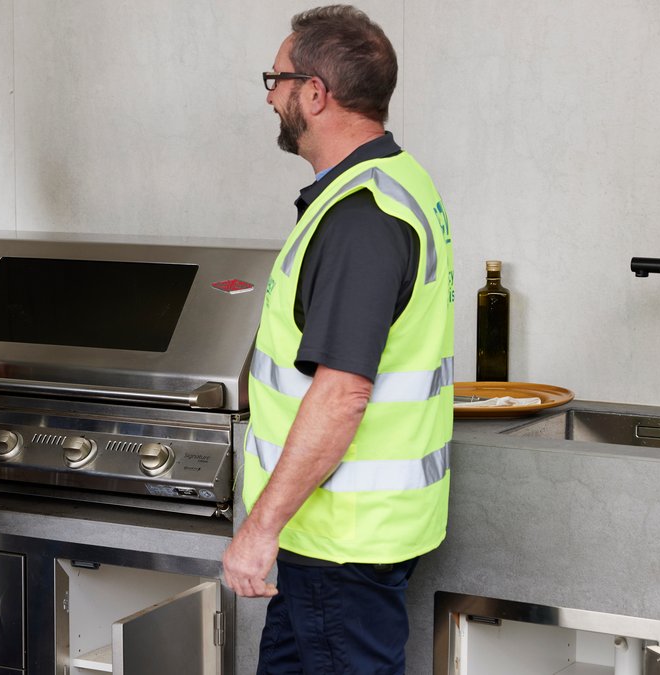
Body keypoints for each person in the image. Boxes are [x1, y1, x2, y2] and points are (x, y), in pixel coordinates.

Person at [221, 5, 454, 673]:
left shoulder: (361, 215)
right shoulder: (391, 183)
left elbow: (342, 393)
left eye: (277, 79)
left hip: (342, 545)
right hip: (329, 539)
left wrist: (259, 529)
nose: (270, 96)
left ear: (315, 93)